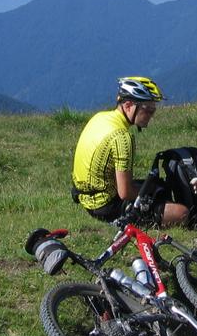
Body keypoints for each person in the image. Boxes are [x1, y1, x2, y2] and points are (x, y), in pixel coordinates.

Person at [71, 77, 189, 227]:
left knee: (157, 187)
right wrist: (152, 196)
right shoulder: (122, 138)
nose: (151, 116)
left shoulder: (99, 118)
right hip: (106, 207)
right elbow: (125, 193)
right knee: (182, 213)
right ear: (128, 105)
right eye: (148, 110)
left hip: (87, 199)